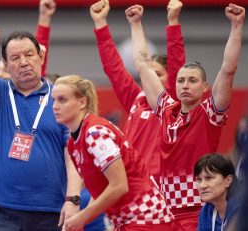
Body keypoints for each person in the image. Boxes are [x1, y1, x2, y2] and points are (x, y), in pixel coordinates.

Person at [127, 3, 245, 230]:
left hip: (198, 211)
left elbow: (228, 69)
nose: (185, 86)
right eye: (181, 80)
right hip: (163, 211)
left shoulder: (210, 114)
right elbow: (142, 64)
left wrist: (237, 25)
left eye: (192, 81)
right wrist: (135, 24)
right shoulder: (166, 110)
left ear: (204, 87)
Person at [0, 6, 82, 230]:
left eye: (29, 55)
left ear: (41, 56)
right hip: (3, 212)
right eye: (15, 58)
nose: (24, 62)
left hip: (50, 211)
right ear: (7, 65)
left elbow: (73, 155)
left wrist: (73, 199)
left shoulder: (59, 97)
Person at [52, 75, 174, 231]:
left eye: (62, 100)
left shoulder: (95, 133)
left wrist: (83, 217)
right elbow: (99, 188)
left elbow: (119, 185)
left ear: (82, 102)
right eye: (54, 100)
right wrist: (77, 214)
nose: (55, 106)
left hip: (147, 216)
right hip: (126, 220)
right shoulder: (73, 143)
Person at [90, 0, 185, 179]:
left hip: (162, 183)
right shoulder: (136, 98)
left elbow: (177, 62)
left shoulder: (173, 103)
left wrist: (173, 22)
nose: (151, 78)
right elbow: (114, 68)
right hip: (132, 180)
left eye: (158, 74)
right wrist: (101, 24)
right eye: (150, 74)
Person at [195, 154, 239, 231]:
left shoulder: (242, 210)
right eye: (199, 180)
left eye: (209, 178)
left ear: (228, 180)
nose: (202, 186)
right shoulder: (206, 212)